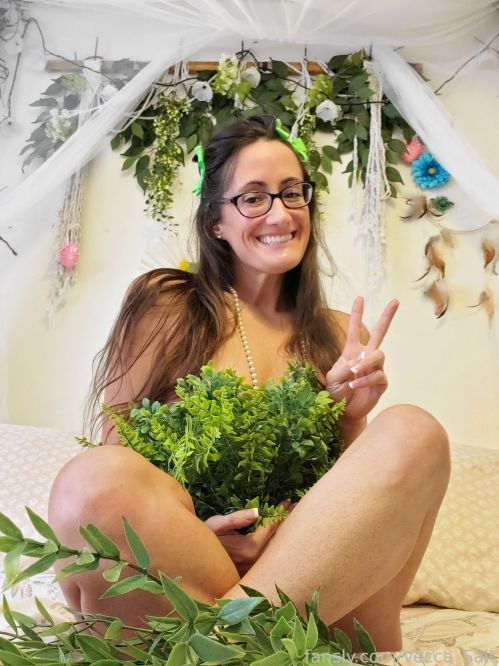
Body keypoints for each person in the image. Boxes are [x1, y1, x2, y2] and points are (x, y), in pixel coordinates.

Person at [48, 114, 450, 652]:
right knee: (91, 480)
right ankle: (243, 643)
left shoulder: (335, 332)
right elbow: (121, 453)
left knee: (414, 431)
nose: (280, 213)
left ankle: (225, 643)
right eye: (253, 197)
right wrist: (196, 538)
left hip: (315, 600)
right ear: (216, 220)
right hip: (188, 581)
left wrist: (350, 415)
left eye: (292, 192)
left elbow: (354, 510)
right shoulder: (169, 307)